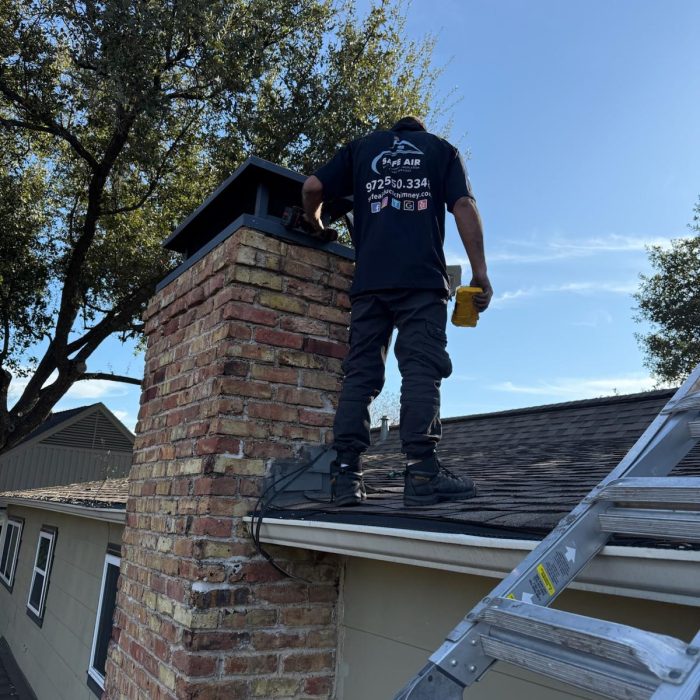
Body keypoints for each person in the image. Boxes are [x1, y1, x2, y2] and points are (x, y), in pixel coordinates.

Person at [301, 116, 492, 507]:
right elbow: (463, 205)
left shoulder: (362, 149)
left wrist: (316, 224)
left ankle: (345, 478)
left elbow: (312, 187)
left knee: (361, 372)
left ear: (394, 131)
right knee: (421, 367)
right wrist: (480, 273)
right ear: (419, 132)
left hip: (370, 282)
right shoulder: (441, 150)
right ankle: (422, 474)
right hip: (421, 280)